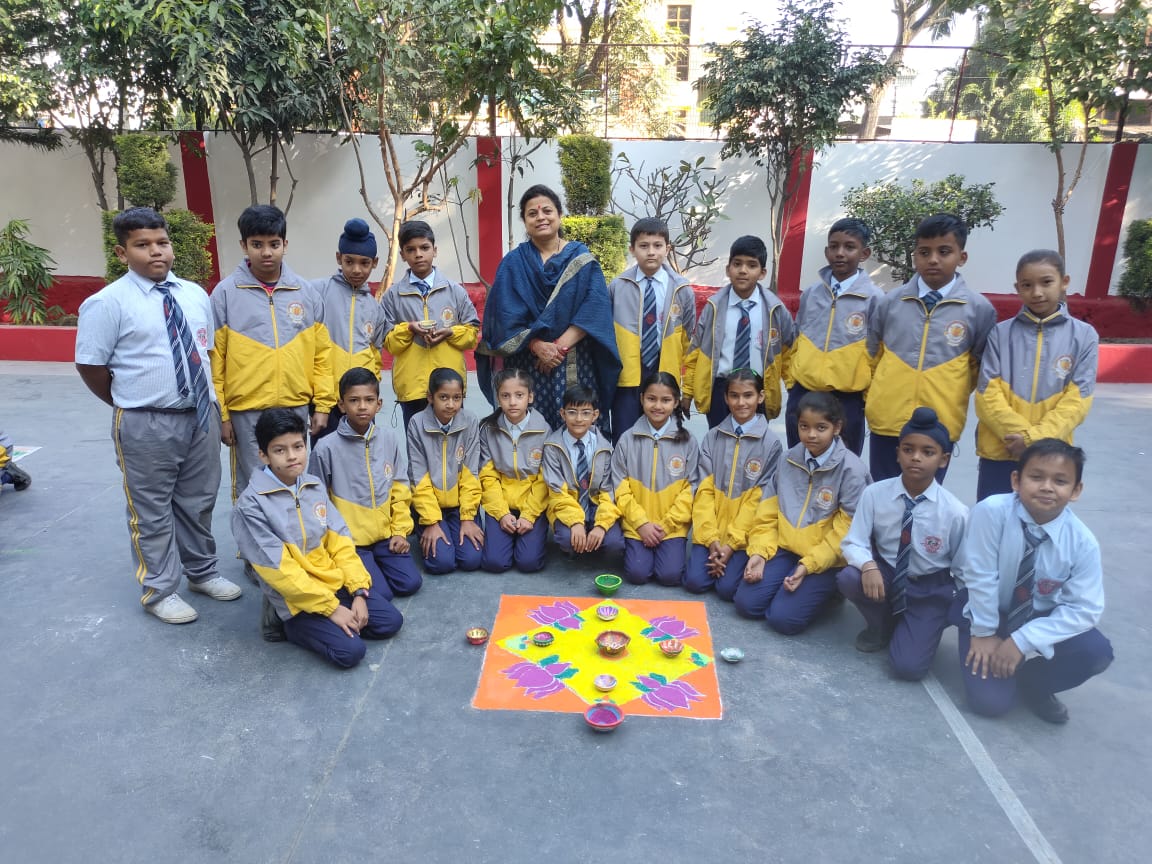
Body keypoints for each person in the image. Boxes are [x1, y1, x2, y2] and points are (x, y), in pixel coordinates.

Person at [75, 207, 241, 623]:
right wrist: (127, 401)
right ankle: (159, 589)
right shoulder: (107, 303)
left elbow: (206, 352)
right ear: (121, 251)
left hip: (198, 416)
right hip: (145, 420)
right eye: (142, 245)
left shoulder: (194, 294)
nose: (155, 253)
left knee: (199, 501)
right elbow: (90, 366)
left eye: (161, 243)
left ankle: (202, 572)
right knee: (150, 507)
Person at [956, 439, 1113, 723]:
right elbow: (980, 575)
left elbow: (1085, 609)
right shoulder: (991, 512)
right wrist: (983, 632)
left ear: (1076, 490)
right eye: (1036, 476)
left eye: (1060, 480)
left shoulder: (1082, 542)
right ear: (1016, 480)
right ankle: (986, 653)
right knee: (989, 703)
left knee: (1096, 651)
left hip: (1037, 618)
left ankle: (1036, 683)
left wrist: (1022, 641)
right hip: (989, 611)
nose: (1047, 487)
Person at [232, 409, 403, 667]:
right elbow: (281, 572)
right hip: (295, 599)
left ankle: (330, 620)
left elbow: (341, 542)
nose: (292, 456)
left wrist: (357, 591)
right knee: (351, 652)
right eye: (280, 450)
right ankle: (286, 625)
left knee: (391, 621)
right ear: (263, 455)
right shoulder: (251, 505)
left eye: (298, 446)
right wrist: (332, 610)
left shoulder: (312, 485)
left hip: (331, 584)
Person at [210, 204, 335, 500]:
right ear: (244, 246)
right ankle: (253, 545)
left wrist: (323, 405)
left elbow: (321, 356)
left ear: (285, 245)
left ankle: (295, 541)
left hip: (295, 406)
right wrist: (223, 416)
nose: (266, 252)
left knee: (294, 477)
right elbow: (215, 361)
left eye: (274, 244)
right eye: (257, 244)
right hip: (247, 411)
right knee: (254, 483)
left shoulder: (306, 294)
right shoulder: (225, 295)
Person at [477, 184, 621, 433]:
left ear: (559, 214)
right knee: (530, 430)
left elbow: (594, 309)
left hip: (576, 360)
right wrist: (537, 346)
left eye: (547, 210)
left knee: (576, 423)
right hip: (527, 361)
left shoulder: (581, 259)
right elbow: (502, 317)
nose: (541, 217)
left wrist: (558, 349)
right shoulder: (513, 263)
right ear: (525, 221)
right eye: (532, 213)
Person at [837, 407, 968, 679]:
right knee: (850, 577)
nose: (916, 458)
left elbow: (963, 568)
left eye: (927, 452)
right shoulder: (875, 494)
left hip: (928, 586)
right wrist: (869, 565)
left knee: (908, 668)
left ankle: (922, 623)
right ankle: (880, 624)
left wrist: (946, 601)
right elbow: (853, 542)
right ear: (898, 453)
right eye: (908, 449)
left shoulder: (955, 512)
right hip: (887, 571)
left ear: (943, 460)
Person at [865, 213, 996, 483]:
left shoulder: (979, 310)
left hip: (939, 426)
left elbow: (978, 367)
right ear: (915, 255)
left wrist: (947, 389)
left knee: (926, 502)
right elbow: (871, 357)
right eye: (924, 252)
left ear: (962, 257)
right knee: (882, 496)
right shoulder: (890, 302)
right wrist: (878, 396)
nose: (933, 259)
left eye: (944, 251)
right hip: (887, 420)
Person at [734, 391, 870, 634]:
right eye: (804, 426)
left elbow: (846, 533)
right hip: (786, 550)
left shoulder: (852, 470)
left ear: (836, 428)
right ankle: (790, 585)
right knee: (746, 604)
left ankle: (830, 593)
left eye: (821, 427)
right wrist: (759, 553)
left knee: (783, 620)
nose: (811, 435)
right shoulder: (788, 460)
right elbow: (767, 514)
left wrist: (807, 566)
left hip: (826, 561)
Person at [974, 250, 1098, 500]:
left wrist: (1033, 442)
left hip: (1050, 457)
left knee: (1038, 527)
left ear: (1064, 282)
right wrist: (1020, 438)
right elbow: (987, 396)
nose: (1037, 292)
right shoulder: (1000, 334)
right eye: (1027, 285)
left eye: (1047, 282)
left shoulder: (1084, 336)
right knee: (992, 521)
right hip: (1000, 450)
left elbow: (1077, 402)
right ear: (1017, 287)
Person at [309, 367, 422, 601]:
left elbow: (400, 487)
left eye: (369, 400)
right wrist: (334, 544)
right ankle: (346, 571)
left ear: (379, 404)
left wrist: (400, 531)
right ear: (341, 405)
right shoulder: (325, 448)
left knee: (410, 583)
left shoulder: (389, 439)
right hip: (351, 541)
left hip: (385, 535)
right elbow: (317, 503)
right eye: (354, 400)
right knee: (382, 594)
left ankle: (376, 565)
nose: (362, 407)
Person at [785, 217, 883, 456]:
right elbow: (797, 338)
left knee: (842, 465)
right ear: (827, 251)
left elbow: (878, 352)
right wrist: (792, 382)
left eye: (849, 247)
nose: (840, 253)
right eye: (834, 246)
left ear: (864, 253)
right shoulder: (811, 293)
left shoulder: (875, 299)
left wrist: (866, 396)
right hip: (803, 392)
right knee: (798, 459)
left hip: (847, 398)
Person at [684, 369, 783, 599]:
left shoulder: (771, 445)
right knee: (695, 582)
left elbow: (760, 501)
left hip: (743, 535)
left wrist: (731, 544)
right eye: (734, 396)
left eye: (748, 395)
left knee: (727, 589)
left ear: (760, 397)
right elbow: (703, 492)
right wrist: (712, 541)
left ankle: (732, 559)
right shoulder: (712, 437)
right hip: (712, 532)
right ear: (726, 398)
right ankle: (713, 555)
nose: (741, 402)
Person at [687, 235, 796, 429]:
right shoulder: (714, 308)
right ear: (728, 269)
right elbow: (695, 352)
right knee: (719, 448)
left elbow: (790, 356)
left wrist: (795, 393)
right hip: (721, 391)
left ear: (762, 273)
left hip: (757, 391)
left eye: (751, 265)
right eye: (737, 264)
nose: (743, 271)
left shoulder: (775, 310)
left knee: (755, 451)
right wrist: (687, 393)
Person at [381, 220, 480, 428]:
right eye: (411, 249)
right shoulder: (393, 296)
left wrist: (449, 332)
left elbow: (472, 333)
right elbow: (389, 342)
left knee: (452, 445)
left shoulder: (455, 291)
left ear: (434, 251)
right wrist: (409, 328)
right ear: (402, 255)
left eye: (424, 248)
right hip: (413, 387)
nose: (418, 254)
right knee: (418, 449)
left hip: (449, 388)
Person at [608, 217, 697, 443]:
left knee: (665, 439)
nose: (651, 252)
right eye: (643, 246)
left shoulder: (682, 290)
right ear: (632, 249)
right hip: (627, 375)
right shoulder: (618, 287)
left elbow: (689, 343)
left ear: (667, 248)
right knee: (624, 436)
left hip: (665, 371)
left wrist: (688, 389)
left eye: (657, 246)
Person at [611, 372, 699, 586]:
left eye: (666, 400)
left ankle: (663, 550)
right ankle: (633, 548)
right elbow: (620, 487)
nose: (658, 406)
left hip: (671, 527)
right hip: (637, 525)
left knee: (669, 576)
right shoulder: (627, 439)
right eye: (651, 399)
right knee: (637, 574)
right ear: (641, 399)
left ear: (676, 402)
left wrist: (667, 525)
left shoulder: (688, 442)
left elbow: (692, 489)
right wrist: (641, 524)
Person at [313, 218, 387, 439]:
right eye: (349, 261)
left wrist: (370, 392)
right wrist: (321, 403)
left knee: (361, 460)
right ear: (339, 258)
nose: (356, 269)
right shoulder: (317, 293)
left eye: (364, 263)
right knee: (326, 462)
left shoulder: (375, 308)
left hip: (361, 402)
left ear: (374, 263)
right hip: (326, 402)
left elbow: (376, 354)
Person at [407, 368, 484, 574]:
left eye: (456, 398)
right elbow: (418, 478)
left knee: (471, 560)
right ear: (430, 397)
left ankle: (456, 528)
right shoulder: (417, 423)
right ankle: (427, 527)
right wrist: (431, 522)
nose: (450, 404)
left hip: (460, 506)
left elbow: (471, 474)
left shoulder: (469, 422)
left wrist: (467, 518)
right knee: (442, 563)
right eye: (443, 397)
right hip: (431, 508)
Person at [478, 369, 552, 573]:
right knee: (495, 563)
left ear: (530, 397)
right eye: (505, 396)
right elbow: (487, 476)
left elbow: (545, 478)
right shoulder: (487, 429)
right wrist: (501, 514)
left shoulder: (544, 430)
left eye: (519, 395)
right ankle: (505, 533)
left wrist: (528, 515)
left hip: (532, 504)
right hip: (501, 503)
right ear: (498, 398)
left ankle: (530, 535)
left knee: (528, 563)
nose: (512, 402)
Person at [542, 385, 625, 557]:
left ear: (595, 415)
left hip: (595, 505)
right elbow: (556, 491)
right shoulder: (552, 447)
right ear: (562, 413)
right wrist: (575, 523)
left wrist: (601, 525)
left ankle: (593, 540)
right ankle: (578, 541)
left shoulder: (605, 448)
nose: (578, 419)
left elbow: (610, 490)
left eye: (586, 413)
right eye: (572, 412)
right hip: (567, 504)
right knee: (567, 540)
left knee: (614, 543)